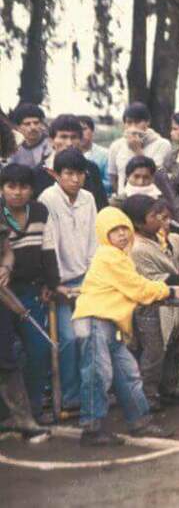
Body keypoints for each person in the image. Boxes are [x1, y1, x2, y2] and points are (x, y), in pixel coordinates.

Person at [72, 206, 179, 445]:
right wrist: (167, 289)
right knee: (97, 374)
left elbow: (136, 285)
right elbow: (138, 288)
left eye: (125, 227)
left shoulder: (120, 256)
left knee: (128, 373)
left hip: (108, 323)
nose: (122, 234)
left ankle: (140, 421)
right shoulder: (109, 255)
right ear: (105, 234)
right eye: (114, 230)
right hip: (94, 320)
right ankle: (91, 429)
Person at [38, 148, 99, 412]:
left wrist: (91, 278)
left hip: (84, 279)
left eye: (79, 174)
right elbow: (48, 244)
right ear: (56, 174)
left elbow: (92, 241)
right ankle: (67, 394)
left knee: (86, 336)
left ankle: (84, 395)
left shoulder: (88, 198)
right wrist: (54, 283)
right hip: (58, 282)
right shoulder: (47, 199)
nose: (75, 179)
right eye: (69, 174)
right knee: (66, 339)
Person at [0, 164, 62, 419]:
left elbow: (48, 249)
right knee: (6, 356)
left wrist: (51, 282)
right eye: (10, 186)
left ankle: (33, 411)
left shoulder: (39, 211)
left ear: (32, 190)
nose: (17, 192)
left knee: (38, 349)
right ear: (2, 189)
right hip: (4, 293)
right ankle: (8, 416)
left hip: (31, 290)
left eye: (23, 187)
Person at [123, 195, 179, 411]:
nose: (161, 221)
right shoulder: (137, 249)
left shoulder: (166, 239)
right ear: (138, 223)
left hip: (170, 303)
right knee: (153, 352)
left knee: (173, 347)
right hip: (148, 306)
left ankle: (168, 388)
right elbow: (169, 278)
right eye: (154, 216)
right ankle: (148, 396)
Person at [33, 114, 108, 209]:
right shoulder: (39, 173)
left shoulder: (91, 169)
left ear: (80, 140)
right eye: (63, 137)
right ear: (51, 140)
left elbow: (101, 207)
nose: (69, 143)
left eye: (74, 137)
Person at [107, 103, 172, 194]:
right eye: (129, 122)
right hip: (125, 200)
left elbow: (159, 177)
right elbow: (113, 177)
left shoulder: (162, 144)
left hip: (152, 199)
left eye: (137, 122)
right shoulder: (116, 146)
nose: (133, 127)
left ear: (147, 122)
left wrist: (137, 150)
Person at [9, 104, 52, 168]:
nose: (33, 127)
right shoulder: (14, 149)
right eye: (27, 124)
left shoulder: (51, 145)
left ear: (42, 124)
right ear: (18, 128)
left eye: (36, 123)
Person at [77, 115, 111, 196]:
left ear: (92, 131)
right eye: (77, 130)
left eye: (84, 129)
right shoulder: (67, 155)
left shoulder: (105, 154)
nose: (81, 133)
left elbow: (109, 183)